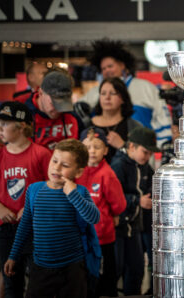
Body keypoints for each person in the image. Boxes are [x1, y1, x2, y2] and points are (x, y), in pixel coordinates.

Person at [4, 139, 100, 298]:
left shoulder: (80, 192)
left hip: (72, 267)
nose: (57, 167)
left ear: (78, 172)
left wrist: (72, 194)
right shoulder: (34, 190)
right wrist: (14, 255)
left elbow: (94, 217)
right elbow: (25, 225)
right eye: (54, 161)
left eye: (65, 165)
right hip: (40, 267)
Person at [0, 102, 52, 298]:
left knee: (38, 281)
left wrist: (31, 208)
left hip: (34, 227)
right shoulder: (0, 154)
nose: (0, 129)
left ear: (21, 126)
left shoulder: (41, 154)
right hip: (5, 229)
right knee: (11, 280)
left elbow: (53, 186)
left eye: (4, 124)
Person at [80, 39, 172, 149]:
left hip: (141, 154)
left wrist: (163, 147)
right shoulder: (94, 93)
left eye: (110, 66)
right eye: (103, 68)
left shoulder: (146, 88)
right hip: (100, 157)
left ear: (122, 65)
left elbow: (162, 118)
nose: (107, 71)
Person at [76, 127, 126, 298]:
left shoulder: (107, 174)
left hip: (102, 238)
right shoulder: (75, 173)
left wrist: (113, 216)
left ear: (105, 150)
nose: (92, 151)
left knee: (104, 280)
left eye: (97, 147)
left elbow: (119, 205)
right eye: (88, 146)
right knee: (83, 281)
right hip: (79, 238)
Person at [110, 127, 158, 296]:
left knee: (137, 269)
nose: (147, 157)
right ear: (131, 147)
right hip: (119, 227)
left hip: (135, 227)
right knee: (115, 269)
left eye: (150, 153)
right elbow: (113, 195)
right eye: (145, 152)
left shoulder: (144, 166)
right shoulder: (118, 165)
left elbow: (154, 182)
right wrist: (137, 200)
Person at [25, 70, 85, 150]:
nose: (59, 109)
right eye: (54, 103)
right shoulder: (23, 118)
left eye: (63, 104)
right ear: (41, 93)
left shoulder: (73, 117)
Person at [89, 77, 142, 163]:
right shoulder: (87, 124)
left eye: (113, 93)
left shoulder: (135, 127)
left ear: (123, 99)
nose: (107, 97)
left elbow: (142, 161)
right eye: (103, 93)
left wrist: (122, 146)